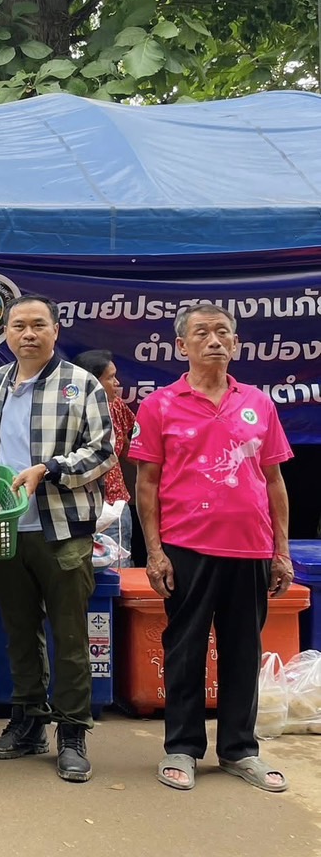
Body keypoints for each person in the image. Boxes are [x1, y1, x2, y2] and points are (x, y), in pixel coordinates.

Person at [131, 303, 294, 793]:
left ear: (236, 342)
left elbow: (274, 480)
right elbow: (147, 484)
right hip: (186, 547)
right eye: (202, 333)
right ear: (182, 346)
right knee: (184, 650)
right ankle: (181, 747)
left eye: (224, 332)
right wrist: (155, 552)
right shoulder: (160, 405)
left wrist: (281, 550)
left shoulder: (259, 404)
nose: (215, 340)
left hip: (250, 549)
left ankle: (240, 751)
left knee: (244, 651)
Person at [0, 294, 114, 784]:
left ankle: (72, 733)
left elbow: (103, 454)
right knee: (19, 631)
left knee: (70, 636)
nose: (27, 334)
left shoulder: (82, 385)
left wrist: (49, 470)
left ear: (56, 330)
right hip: (6, 527)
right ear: (6, 333)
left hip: (62, 527)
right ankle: (28, 722)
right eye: (18, 326)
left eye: (38, 325)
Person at [74, 350, 136, 567]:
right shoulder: (67, 410)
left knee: (118, 570)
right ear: (92, 381)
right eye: (110, 378)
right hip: (75, 507)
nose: (117, 383)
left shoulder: (117, 406)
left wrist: (157, 469)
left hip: (115, 505)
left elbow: (129, 445)